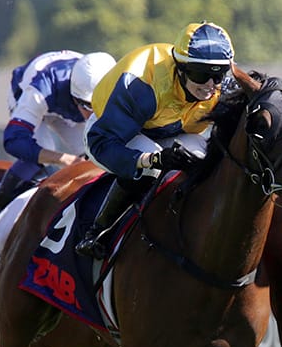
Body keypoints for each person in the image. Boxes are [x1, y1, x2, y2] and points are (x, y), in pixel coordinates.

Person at [74, 21, 235, 259]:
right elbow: (102, 144)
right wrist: (152, 159)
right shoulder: (141, 85)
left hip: (169, 130)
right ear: (181, 68)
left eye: (219, 75)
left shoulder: (222, 88)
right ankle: (97, 232)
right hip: (110, 133)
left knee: (206, 162)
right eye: (201, 74)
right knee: (150, 171)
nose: (211, 85)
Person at [0, 49, 116, 242]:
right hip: (30, 91)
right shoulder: (43, 87)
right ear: (75, 97)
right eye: (87, 106)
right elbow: (14, 140)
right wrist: (62, 158)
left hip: (66, 100)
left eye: (99, 105)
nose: (93, 114)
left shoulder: (112, 84)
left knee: (95, 155)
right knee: (36, 157)